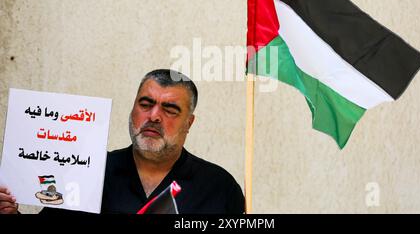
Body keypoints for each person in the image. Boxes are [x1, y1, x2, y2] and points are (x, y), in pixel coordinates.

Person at [0, 69, 245, 214]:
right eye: (146, 104)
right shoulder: (85, 174)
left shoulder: (219, 188)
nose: (154, 116)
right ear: (132, 110)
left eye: (169, 109)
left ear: (189, 123)